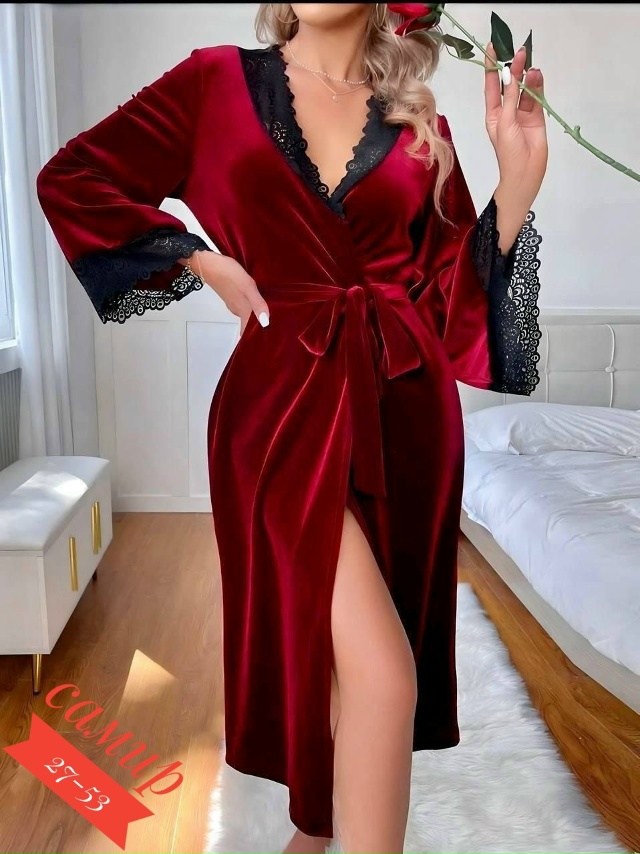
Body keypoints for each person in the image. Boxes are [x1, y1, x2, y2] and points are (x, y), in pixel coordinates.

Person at [36, 3, 547, 853]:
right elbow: (74, 177)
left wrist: (518, 183)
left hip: (407, 412)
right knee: (385, 677)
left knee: (352, 654)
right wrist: (198, 257)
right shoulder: (212, 83)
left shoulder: (421, 127)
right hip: (279, 408)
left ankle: (313, 834)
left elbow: (450, 300)